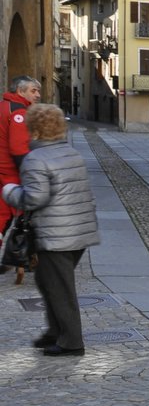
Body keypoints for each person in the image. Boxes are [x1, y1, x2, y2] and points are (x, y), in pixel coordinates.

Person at [1, 104, 98, 356]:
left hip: (57, 234)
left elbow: (35, 198)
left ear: (33, 129)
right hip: (78, 231)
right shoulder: (70, 153)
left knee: (59, 288)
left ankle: (71, 342)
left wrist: (10, 191)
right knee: (47, 281)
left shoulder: (36, 159)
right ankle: (55, 332)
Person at [0, 76, 40, 231]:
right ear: (20, 91)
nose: (37, 95)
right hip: (8, 175)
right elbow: (19, 149)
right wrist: (32, 175)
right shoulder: (18, 112)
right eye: (33, 91)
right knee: (4, 217)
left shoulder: (3, 105)